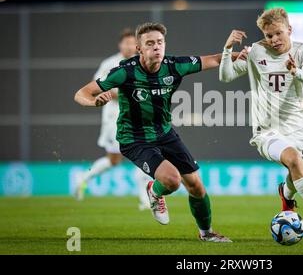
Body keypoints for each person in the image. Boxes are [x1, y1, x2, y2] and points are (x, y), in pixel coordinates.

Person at [74, 22, 234, 242]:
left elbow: (215, 60)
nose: (156, 47)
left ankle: (206, 233)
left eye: (160, 42)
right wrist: (94, 102)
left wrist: (242, 55)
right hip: (135, 139)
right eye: (150, 43)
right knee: (172, 180)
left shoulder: (175, 65)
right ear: (139, 49)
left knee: (196, 186)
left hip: (164, 133)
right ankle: (154, 190)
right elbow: (82, 93)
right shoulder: (124, 71)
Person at [219, 8, 303, 233]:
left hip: (299, 128)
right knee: (295, 161)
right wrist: (228, 48)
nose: (274, 40)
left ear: (289, 29)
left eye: (278, 33)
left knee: (299, 172)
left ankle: (286, 195)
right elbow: (226, 75)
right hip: (267, 131)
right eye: (269, 36)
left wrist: (295, 71)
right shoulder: (256, 52)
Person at [75, 28, 151, 210]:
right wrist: (128, 94)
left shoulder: (141, 62)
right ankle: (84, 178)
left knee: (143, 153)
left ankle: (145, 200)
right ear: (120, 45)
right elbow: (99, 88)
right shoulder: (110, 63)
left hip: (135, 117)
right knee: (115, 160)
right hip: (114, 118)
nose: (129, 46)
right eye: (126, 42)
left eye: (132, 42)